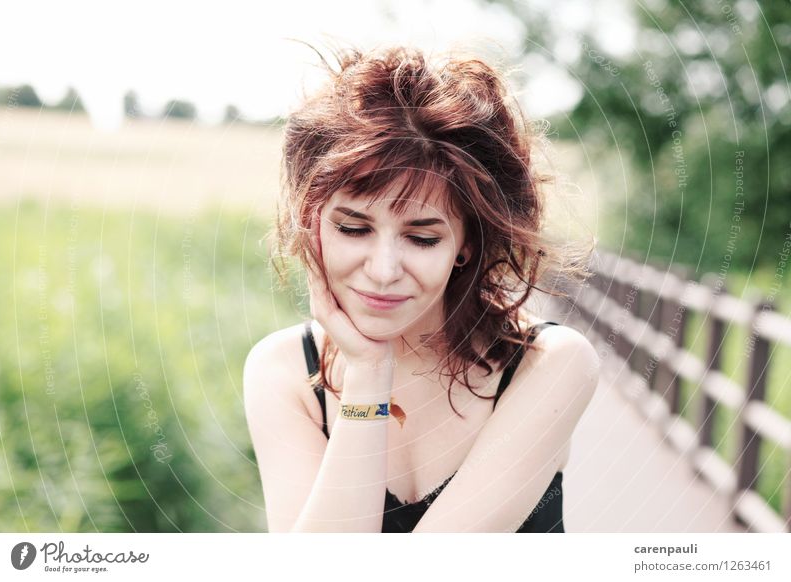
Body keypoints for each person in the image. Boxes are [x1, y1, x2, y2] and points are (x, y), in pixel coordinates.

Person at [243, 43, 600, 533]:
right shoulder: (284, 371)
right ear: (313, 225)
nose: (385, 269)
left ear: (466, 245)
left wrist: (368, 370)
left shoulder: (551, 364)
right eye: (353, 229)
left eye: (422, 237)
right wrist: (369, 373)